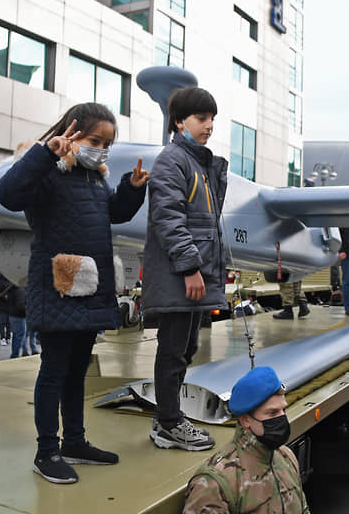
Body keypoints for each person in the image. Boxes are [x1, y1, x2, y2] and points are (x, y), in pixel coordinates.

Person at [0, 102, 146, 483]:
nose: (102, 149)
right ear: (72, 132)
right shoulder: (48, 170)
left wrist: (130, 189)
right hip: (59, 286)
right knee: (54, 372)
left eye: (107, 144)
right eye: (96, 140)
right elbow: (7, 195)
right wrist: (45, 153)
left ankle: (74, 441)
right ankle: (47, 451)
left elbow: (112, 213)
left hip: (90, 287)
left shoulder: (93, 176)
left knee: (77, 372)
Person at [142, 87, 225, 452]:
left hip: (191, 273)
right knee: (174, 348)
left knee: (185, 347)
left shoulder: (197, 162)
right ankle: (169, 422)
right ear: (179, 122)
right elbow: (169, 219)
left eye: (211, 119)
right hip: (181, 274)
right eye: (201, 119)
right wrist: (192, 268)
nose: (209, 126)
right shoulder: (172, 160)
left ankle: (169, 417)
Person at [183, 366, 310, 513]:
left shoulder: (286, 457)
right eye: (272, 413)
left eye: (283, 410)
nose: (282, 418)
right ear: (245, 420)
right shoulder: (214, 483)